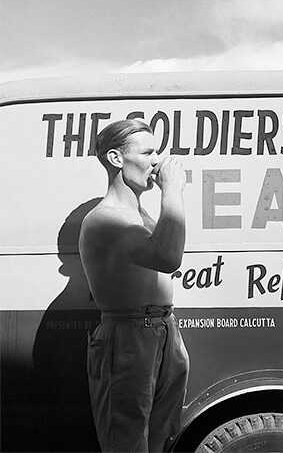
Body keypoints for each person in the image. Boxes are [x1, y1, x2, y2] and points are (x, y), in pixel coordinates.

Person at [79, 119, 189, 453]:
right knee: (126, 443)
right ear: (116, 159)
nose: (158, 160)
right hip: (129, 337)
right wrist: (172, 189)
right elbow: (167, 257)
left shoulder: (141, 215)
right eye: (148, 152)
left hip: (163, 329)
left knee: (161, 441)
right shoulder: (106, 217)